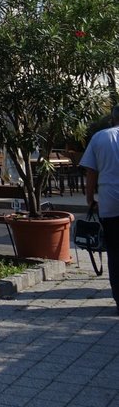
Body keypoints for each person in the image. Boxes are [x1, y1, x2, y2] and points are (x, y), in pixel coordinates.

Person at [80, 104, 119, 312]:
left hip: (111, 201)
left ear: (112, 119)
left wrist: (89, 198)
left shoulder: (100, 137)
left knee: (114, 251)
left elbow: (91, 171)